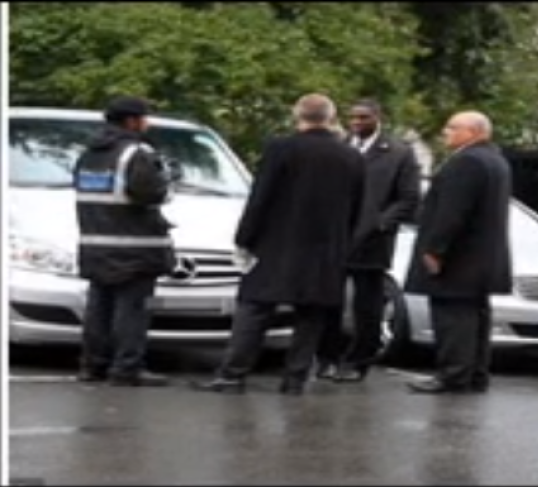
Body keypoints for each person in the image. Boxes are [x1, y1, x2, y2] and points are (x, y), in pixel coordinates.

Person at [194, 94, 365, 396]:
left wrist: (244, 238)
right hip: (325, 248)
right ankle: (295, 378)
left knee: (255, 309)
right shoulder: (351, 157)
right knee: (311, 316)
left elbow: (261, 197)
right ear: (330, 117)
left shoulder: (281, 149)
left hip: (277, 243)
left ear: (298, 115)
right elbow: (356, 207)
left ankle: (233, 374)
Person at [403, 111, 513, 394]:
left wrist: (435, 249)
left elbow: (452, 212)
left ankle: (453, 375)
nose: (445, 132)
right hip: (481, 258)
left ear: (475, 132)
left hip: (460, 258)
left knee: (453, 318)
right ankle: (475, 373)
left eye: (453, 128)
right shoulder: (495, 160)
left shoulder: (467, 162)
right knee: (475, 317)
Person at [315, 99, 421, 382]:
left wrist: (381, 222)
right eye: (353, 118)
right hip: (336, 235)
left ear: (378, 117)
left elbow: (409, 198)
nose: (357, 123)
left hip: (373, 239)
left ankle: (359, 360)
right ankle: (327, 357)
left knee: (367, 303)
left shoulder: (398, 152)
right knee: (328, 299)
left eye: (363, 118)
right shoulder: (340, 146)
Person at [74, 96, 176, 387]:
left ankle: (93, 366)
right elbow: (150, 193)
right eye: (145, 117)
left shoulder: (89, 155)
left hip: (95, 246)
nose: (148, 122)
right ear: (131, 121)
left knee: (99, 310)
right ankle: (127, 368)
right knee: (131, 312)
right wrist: (166, 183)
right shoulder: (137, 152)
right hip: (135, 249)